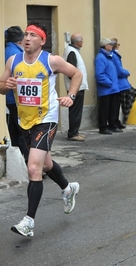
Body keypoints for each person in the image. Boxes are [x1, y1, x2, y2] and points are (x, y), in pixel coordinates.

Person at [0, 22, 82, 237]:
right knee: (45, 164)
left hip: (46, 118)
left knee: (33, 168)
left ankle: (28, 222)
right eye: (25, 34)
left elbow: (76, 74)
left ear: (42, 41)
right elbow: (0, 86)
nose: (27, 38)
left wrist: (70, 96)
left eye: (33, 35)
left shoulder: (51, 60)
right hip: (24, 120)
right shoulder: (13, 60)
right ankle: (67, 188)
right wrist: (5, 85)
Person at [4, 26, 29, 162]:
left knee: (14, 132)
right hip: (16, 98)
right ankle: (29, 162)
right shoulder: (16, 54)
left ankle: (17, 162)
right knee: (23, 133)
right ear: (20, 40)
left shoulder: (7, 50)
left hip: (8, 98)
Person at [63, 33, 89, 141]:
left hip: (78, 85)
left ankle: (75, 131)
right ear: (78, 42)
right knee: (75, 111)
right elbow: (71, 70)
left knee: (76, 110)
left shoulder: (73, 51)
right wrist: (75, 84)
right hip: (76, 86)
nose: (82, 42)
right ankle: (73, 133)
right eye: (82, 40)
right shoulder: (72, 52)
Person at [95, 38, 122, 134]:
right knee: (104, 109)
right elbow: (99, 75)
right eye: (110, 44)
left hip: (113, 88)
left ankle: (112, 125)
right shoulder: (101, 58)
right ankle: (103, 127)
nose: (112, 46)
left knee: (113, 108)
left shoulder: (109, 56)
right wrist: (109, 83)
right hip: (106, 89)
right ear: (106, 46)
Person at [111, 38, 136, 126]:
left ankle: (118, 121)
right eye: (118, 44)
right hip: (121, 84)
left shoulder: (114, 55)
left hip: (121, 83)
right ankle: (118, 121)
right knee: (122, 103)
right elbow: (119, 70)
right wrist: (127, 72)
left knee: (120, 103)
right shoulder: (115, 55)